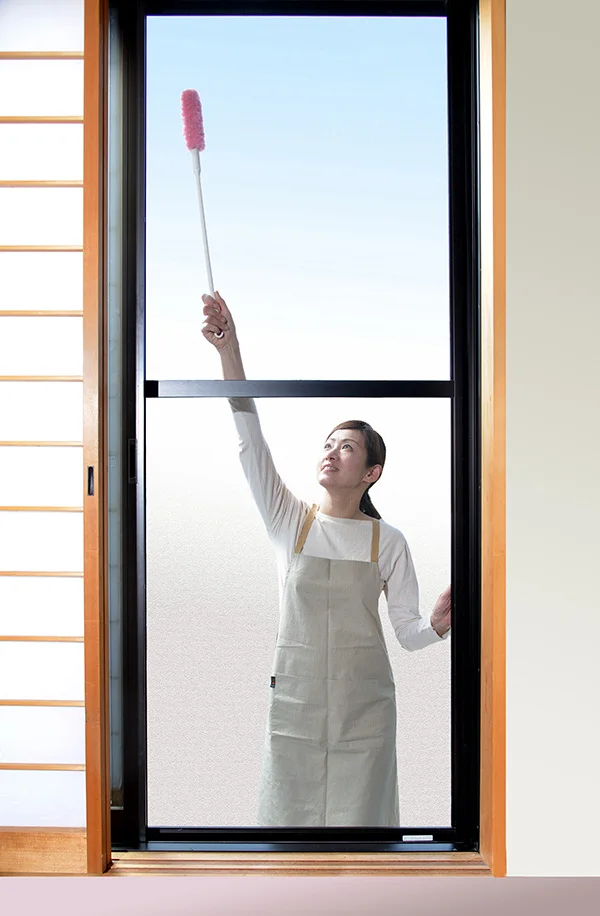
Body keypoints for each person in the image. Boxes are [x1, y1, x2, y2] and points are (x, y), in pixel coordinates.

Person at [202, 291, 452, 828]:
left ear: (371, 472)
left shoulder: (388, 542)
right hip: (297, 705)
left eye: (347, 447)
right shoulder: (289, 521)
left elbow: (406, 634)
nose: (331, 452)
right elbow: (250, 441)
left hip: (366, 713)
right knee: (288, 831)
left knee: (363, 834)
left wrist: (436, 625)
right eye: (328, 443)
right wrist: (229, 350)